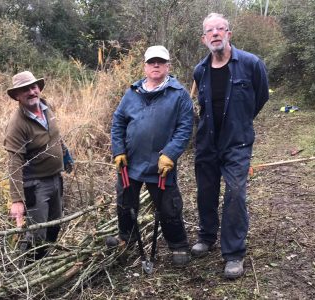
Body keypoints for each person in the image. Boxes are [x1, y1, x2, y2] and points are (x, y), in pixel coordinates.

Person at [191, 13, 269, 278]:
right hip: (207, 142)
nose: (215, 34)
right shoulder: (199, 70)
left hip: (237, 141)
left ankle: (234, 253)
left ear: (229, 34)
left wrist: (240, 121)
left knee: (235, 194)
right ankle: (207, 235)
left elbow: (260, 97)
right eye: (210, 31)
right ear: (204, 39)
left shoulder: (250, 64)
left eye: (220, 29)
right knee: (205, 192)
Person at [109, 45, 194, 266]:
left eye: (160, 61)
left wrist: (171, 154)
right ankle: (125, 240)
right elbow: (118, 122)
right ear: (145, 66)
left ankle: (178, 246)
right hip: (131, 164)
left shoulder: (179, 95)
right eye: (151, 62)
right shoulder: (132, 92)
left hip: (161, 166)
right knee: (125, 203)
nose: (156, 65)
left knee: (169, 207)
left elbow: (185, 129)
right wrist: (118, 150)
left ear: (168, 65)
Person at [4, 71, 73, 259]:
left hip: (55, 179)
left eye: (33, 87)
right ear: (17, 96)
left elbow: (54, 136)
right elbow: (14, 162)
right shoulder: (17, 124)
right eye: (25, 90)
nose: (31, 92)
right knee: (37, 232)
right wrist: (17, 200)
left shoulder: (45, 107)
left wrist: (65, 154)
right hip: (35, 185)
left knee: (55, 223)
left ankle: (46, 258)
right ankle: (30, 266)